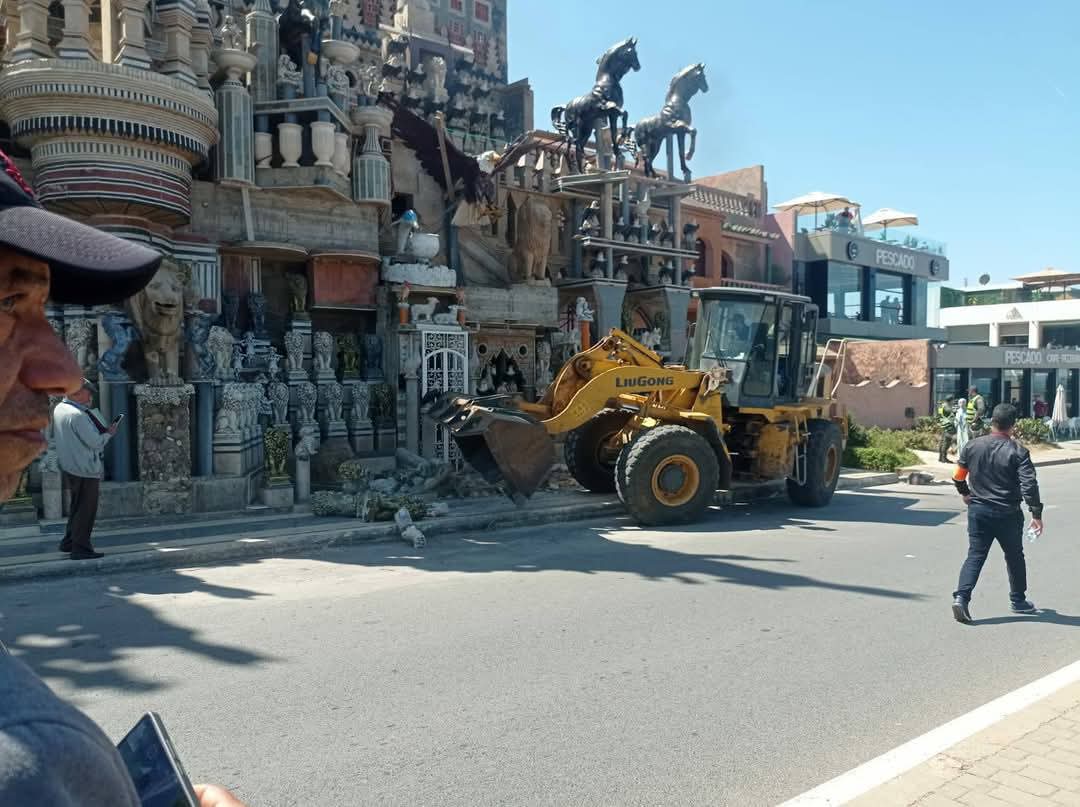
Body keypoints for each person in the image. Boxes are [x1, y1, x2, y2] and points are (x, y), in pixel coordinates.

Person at [0, 146, 246, 806]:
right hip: (84, 469)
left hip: (80, 466)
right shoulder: (31, 752)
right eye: (6, 303)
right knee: (83, 516)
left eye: (42, 310)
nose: (64, 371)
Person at [951, 403, 1045, 624]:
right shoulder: (1018, 451)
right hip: (1008, 514)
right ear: (1013, 426)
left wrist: (965, 493)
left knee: (975, 555)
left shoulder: (972, 446)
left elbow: (958, 476)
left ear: (992, 421)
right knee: (1014, 556)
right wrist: (1036, 514)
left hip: (978, 511)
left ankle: (961, 598)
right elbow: (1029, 484)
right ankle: (1018, 600)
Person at [52, 380, 117, 559]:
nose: (90, 397)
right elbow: (95, 442)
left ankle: (69, 542)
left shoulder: (59, 409)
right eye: (88, 393)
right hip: (85, 468)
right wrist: (108, 434)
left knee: (77, 506)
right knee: (86, 510)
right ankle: (81, 549)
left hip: (70, 465)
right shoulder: (78, 415)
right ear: (77, 393)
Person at [936, 397, 956, 463]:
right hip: (948, 426)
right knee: (946, 443)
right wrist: (954, 410)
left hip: (943, 424)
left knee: (942, 442)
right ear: (950, 400)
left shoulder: (941, 406)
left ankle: (941, 457)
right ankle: (943, 458)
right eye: (953, 400)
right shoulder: (946, 406)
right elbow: (950, 412)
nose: (953, 402)